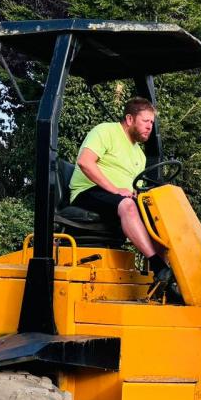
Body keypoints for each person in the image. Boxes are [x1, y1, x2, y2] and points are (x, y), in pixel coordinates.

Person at [70, 97, 174, 295]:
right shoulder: (105, 131)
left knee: (159, 218)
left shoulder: (140, 155)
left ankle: (163, 280)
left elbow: (135, 189)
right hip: (87, 192)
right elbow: (85, 162)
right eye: (145, 121)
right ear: (129, 119)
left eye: (152, 123)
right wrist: (115, 189)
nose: (149, 127)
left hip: (117, 198)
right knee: (127, 205)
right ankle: (158, 265)